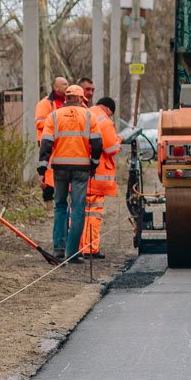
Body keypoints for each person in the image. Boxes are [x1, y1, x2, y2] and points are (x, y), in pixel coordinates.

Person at [38, 85, 102, 262]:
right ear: (81, 99)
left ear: (66, 99)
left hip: (59, 167)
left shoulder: (54, 116)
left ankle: (59, 249)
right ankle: (73, 252)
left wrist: (42, 168)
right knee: (78, 208)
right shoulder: (90, 116)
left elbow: (46, 144)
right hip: (81, 168)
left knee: (60, 205)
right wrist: (94, 164)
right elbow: (97, 144)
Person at [81, 97, 121, 259]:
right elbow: (111, 148)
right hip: (96, 175)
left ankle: (77, 247)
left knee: (78, 211)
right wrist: (120, 140)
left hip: (79, 172)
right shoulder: (104, 121)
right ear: (108, 109)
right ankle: (90, 248)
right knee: (93, 212)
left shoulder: (84, 114)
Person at [34, 77, 67, 203]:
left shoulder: (68, 103)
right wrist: (56, 121)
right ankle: (48, 200)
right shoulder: (44, 104)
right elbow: (39, 123)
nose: (67, 87)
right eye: (64, 84)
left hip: (63, 145)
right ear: (56, 87)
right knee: (47, 174)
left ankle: (56, 199)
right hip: (48, 145)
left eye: (67, 84)